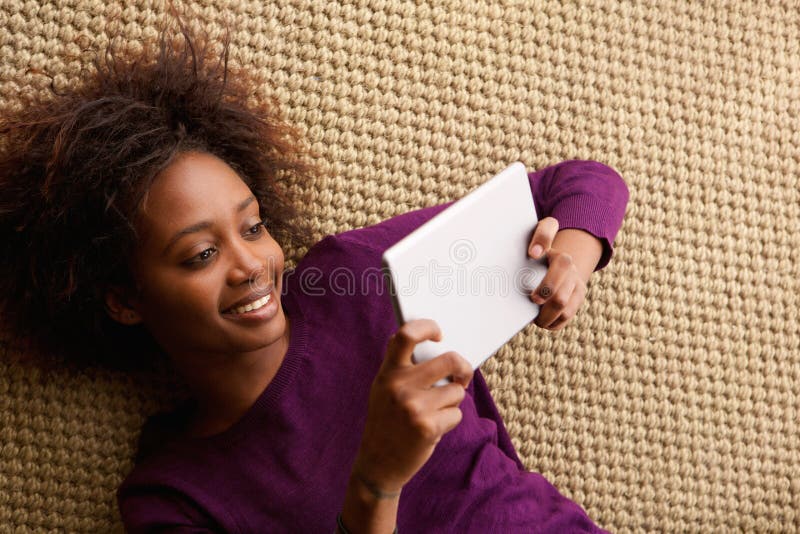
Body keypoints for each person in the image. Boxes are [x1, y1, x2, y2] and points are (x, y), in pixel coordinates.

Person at [0, 22, 629, 534]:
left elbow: (576, 183)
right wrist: (375, 483)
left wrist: (572, 253)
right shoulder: (176, 498)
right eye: (199, 256)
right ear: (124, 299)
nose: (249, 266)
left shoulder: (354, 280)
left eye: (252, 228)